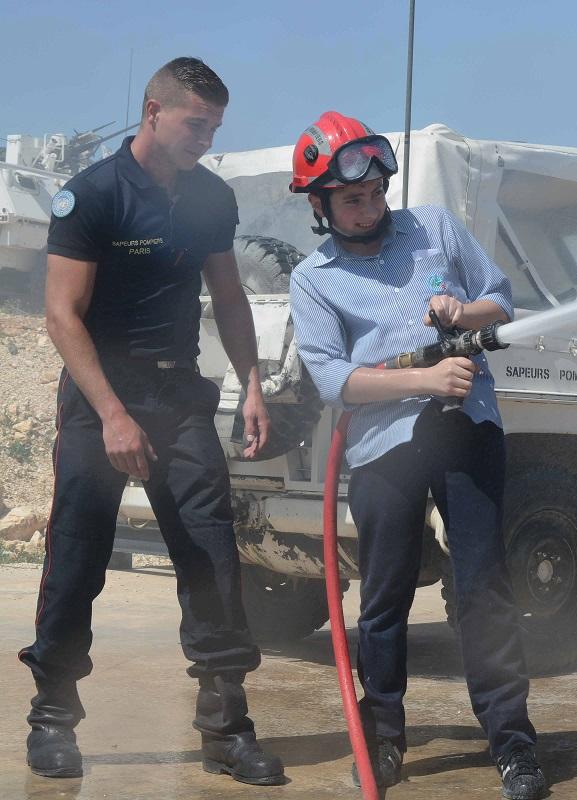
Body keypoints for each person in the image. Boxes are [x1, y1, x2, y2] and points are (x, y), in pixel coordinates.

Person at [19, 57, 285, 785]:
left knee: (212, 555)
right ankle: (52, 717)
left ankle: (226, 728)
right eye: (196, 124)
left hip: (179, 396)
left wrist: (252, 385)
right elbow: (61, 315)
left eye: (215, 127)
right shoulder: (93, 194)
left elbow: (228, 297)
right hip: (99, 397)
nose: (206, 138)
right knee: (77, 556)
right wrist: (111, 414)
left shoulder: (210, 197)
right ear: (153, 112)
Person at [287, 111, 548, 800]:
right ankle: (384, 740)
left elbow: (500, 300)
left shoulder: (434, 228)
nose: (370, 207)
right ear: (319, 205)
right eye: (352, 199)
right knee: (384, 595)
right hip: (383, 447)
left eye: (377, 193)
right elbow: (335, 380)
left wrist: (462, 313)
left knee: (483, 586)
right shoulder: (314, 279)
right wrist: (426, 380)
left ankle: (513, 743)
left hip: (467, 428)